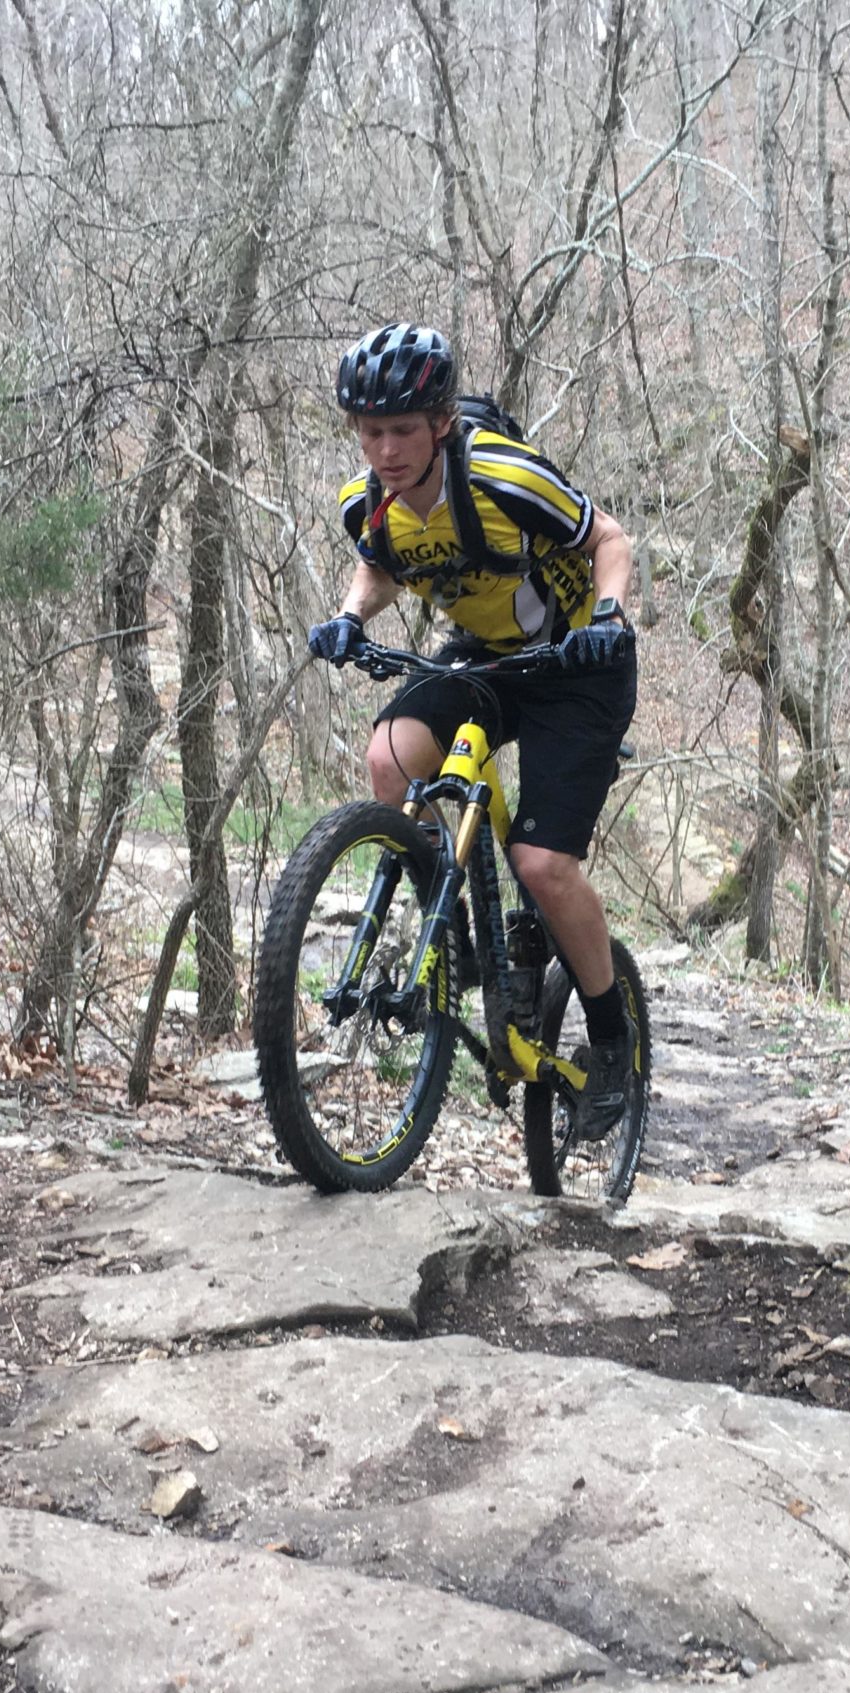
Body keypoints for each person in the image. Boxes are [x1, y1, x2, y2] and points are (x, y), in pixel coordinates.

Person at [305, 322, 640, 1137]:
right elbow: (383, 561)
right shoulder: (366, 503)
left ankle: (613, 1042)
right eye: (371, 432)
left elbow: (610, 539)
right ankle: (457, 948)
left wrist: (608, 614)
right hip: (486, 658)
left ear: (442, 424)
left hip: (577, 670)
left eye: (403, 431)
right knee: (390, 761)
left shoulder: (503, 477)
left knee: (542, 862)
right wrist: (351, 616)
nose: (385, 450)